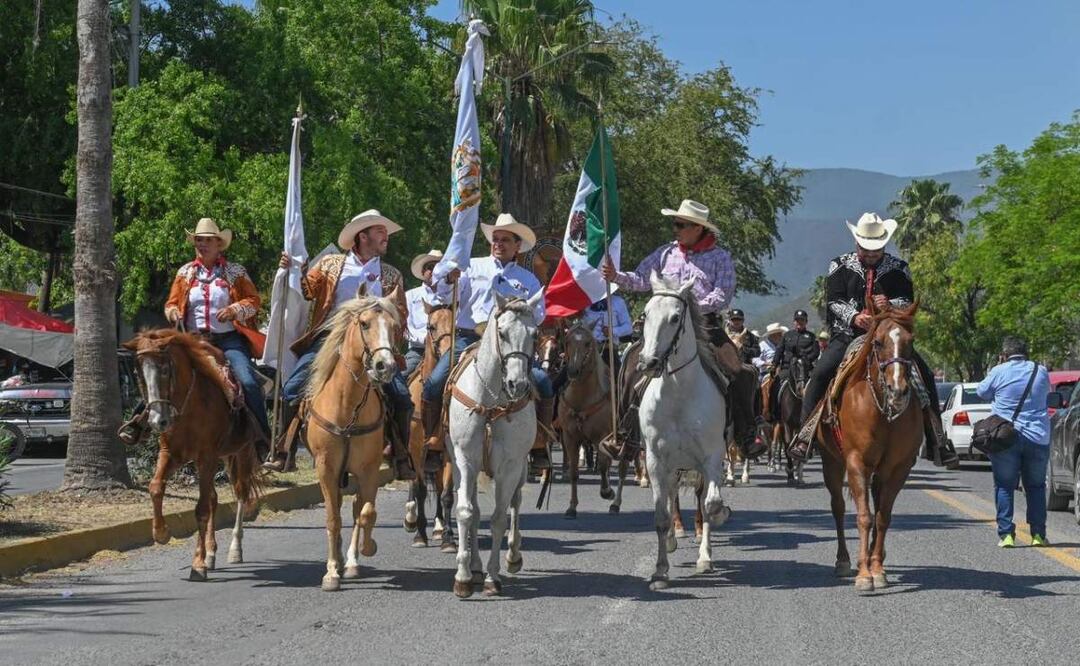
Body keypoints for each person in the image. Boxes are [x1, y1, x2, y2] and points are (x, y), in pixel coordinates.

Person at [788, 212, 959, 468]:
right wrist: (855, 316)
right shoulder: (840, 265)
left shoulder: (899, 268)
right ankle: (805, 434)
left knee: (923, 374)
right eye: (866, 249)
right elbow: (834, 300)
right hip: (849, 336)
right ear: (857, 243)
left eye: (876, 250)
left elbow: (907, 302)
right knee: (821, 373)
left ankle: (937, 438)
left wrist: (889, 304)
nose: (870, 254)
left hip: (888, 337)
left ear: (883, 246)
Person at [601, 199, 762, 457]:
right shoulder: (665, 253)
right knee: (631, 364)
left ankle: (747, 433)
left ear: (698, 228)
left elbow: (722, 294)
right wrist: (616, 276)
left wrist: (691, 306)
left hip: (705, 326)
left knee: (739, 370)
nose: (675, 229)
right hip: (663, 325)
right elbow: (642, 279)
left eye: (680, 224)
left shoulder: (720, 258)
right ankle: (625, 435)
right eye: (675, 224)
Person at [265, 209, 414, 480]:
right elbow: (307, 290)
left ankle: (401, 455)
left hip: (375, 342)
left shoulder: (392, 275)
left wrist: (391, 322)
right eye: (381, 232)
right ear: (363, 236)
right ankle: (282, 450)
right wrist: (292, 268)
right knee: (292, 388)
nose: (386, 237)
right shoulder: (331, 263)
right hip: (330, 338)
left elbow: (401, 314)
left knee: (402, 397)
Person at [118, 218, 271, 461]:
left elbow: (254, 301)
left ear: (219, 244)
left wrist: (234, 310)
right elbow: (171, 302)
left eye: (208, 240)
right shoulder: (185, 273)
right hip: (192, 340)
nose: (202, 244)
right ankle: (139, 422)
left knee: (248, 381)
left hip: (228, 340)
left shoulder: (236, 272)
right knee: (159, 370)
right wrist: (172, 312)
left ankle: (264, 439)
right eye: (199, 240)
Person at [421, 213, 555, 472]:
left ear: (518, 246)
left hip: (511, 345)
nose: (499, 244)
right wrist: (449, 280)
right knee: (434, 383)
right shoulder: (470, 266)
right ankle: (435, 439)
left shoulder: (528, 280)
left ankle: (539, 440)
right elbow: (441, 294)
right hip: (469, 338)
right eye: (496, 239)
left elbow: (538, 315)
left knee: (543, 381)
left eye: (505, 240)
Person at [976, 337, 1052, 547]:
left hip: (1005, 437)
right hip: (1038, 436)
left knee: (1004, 486)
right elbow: (1048, 393)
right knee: (1036, 486)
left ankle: (1007, 534)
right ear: (1026, 352)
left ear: (1004, 354)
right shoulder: (1041, 371)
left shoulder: (999, 371)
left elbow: (982, 392)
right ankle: (1038, 535)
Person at [404, 249, 444, 378]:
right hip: (418, 350)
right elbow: (407, 328)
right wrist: (427, 340)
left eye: (439, 267)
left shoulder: (452, 296)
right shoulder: (410, 296)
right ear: (423, 272)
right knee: (400, 376)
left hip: (445, 350)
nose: (434, 271)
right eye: (430, 267)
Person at [581, 293, 633, 374]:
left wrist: (612, 331)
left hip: (608, 349)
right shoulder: (585, 301)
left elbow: (628, 328)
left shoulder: (618, 302)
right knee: (569, 372)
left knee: (618, 377)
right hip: (586, 348)